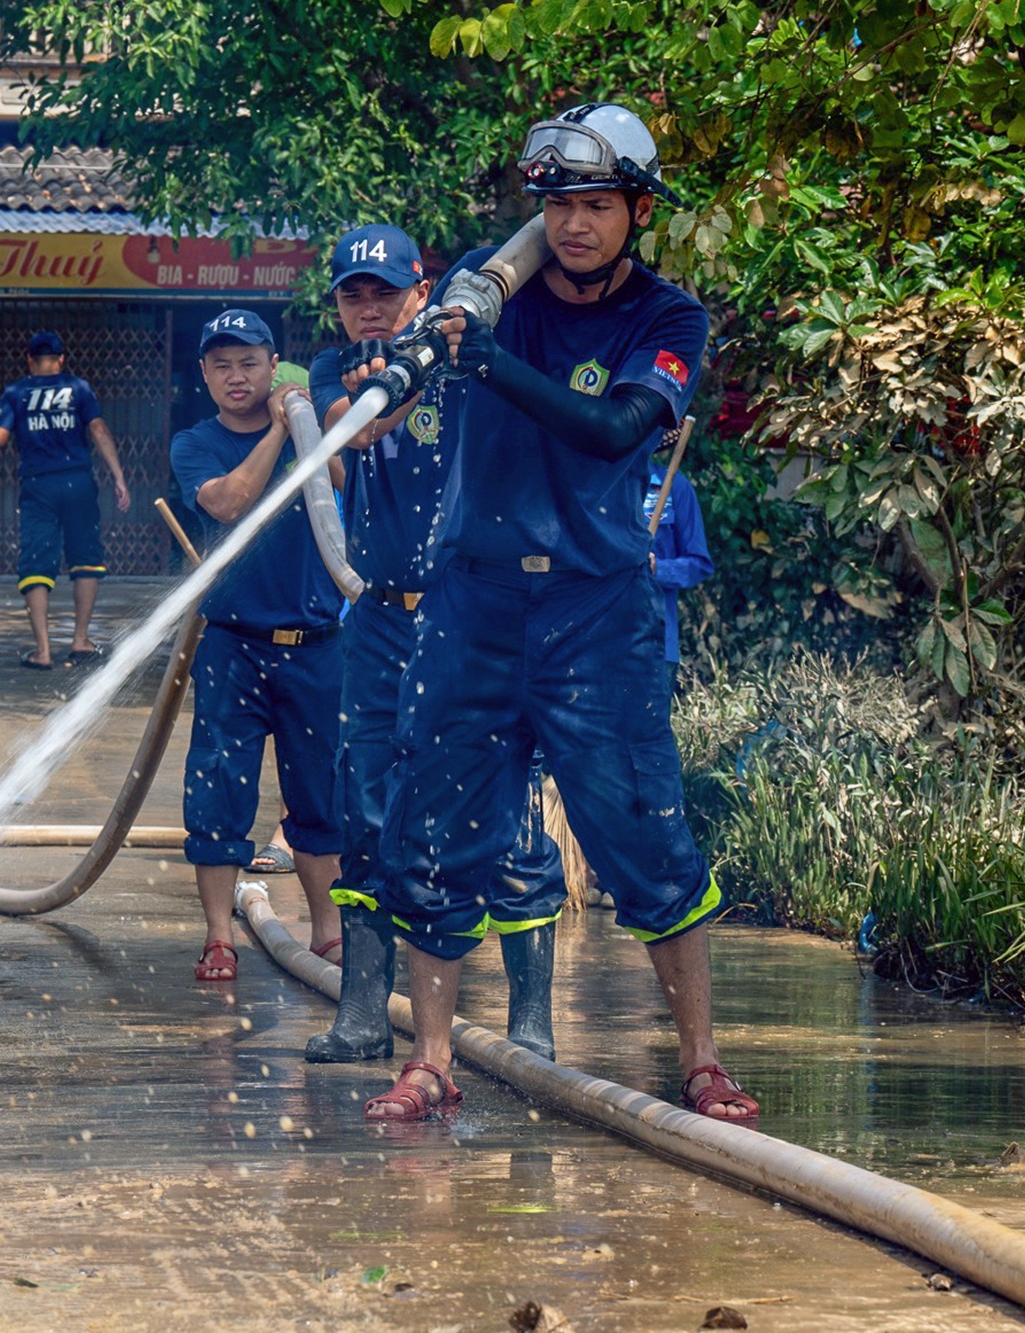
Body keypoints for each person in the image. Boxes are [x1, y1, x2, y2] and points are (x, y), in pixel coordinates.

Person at [359, 102, 757, 1125]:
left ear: (637, 209)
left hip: (593, 609)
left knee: (643, 832)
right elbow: (429, 364)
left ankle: (702, 1060)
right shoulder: (493, 289)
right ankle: (432, 1059)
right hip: (472, 601)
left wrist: (482, 357)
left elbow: (613, 425)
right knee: (432, 829)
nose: (571, 225)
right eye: (554, 206)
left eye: (593, 204)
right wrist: (428, 349)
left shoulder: (665, 319)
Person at [304, 224, 565, 1066]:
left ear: (422, 291)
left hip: (475, 612)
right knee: (368, 803)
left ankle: (530, 1021)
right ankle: (362, 1014)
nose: (370, 307)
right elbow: (357, 430)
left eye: (387, 292)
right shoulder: (334, 371)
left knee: (507, 806)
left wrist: (448, 344)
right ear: (339, 305)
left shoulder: (468, 351)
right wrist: (401, 375)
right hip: (380, 618)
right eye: (354, 294)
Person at [170, 309, 345, 982]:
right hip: (234, 644)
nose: (236, 376)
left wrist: (306, 426)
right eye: (222, 365)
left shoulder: (315, 434)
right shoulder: (196, 443)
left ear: (275, 366)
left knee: (319, 790)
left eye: (249, 362)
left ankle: (327, 931)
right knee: (217, 787)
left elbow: (342, 490)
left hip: (316, 642)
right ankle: (219, 935)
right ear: (205, 375)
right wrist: (279, 429)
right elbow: (227, 502)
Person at [0, 332, 131, 669]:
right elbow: (99, 431)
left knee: (37, 561)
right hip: (78, 482)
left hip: (38, 485)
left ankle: (42, 651)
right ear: (61, 359)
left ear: (29, 361)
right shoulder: (79, 388)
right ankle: (80, 641)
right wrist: (118, 476)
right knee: (84, 557)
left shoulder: (17, 393)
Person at [646, 453, 713, 694]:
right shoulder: (596, 484)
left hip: (656, 638)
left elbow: (698, 563)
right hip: (598, 641)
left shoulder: (673, 485)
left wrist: (658, 568)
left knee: (651, 729)